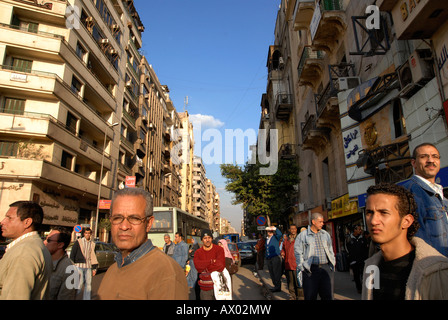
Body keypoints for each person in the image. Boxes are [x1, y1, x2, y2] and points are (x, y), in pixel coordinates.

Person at [95, 188, 188, 300]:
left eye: (134, 218)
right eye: (117, 218)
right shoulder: (112, 270)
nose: (124, 226)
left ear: (149, 223)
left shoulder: (166, 273)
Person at [362, 183, 448, 300]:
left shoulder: (436, 271)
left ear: (406, 221)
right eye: (369, 212)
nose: (373, 221)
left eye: (384, 213)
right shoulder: (371, 267)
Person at [401, 143, 448, 257]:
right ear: (414, 163)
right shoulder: (409, 191)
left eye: (435, 156)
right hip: (431, 266)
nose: (430, 160)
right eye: (424, 157)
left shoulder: (441, 196)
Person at [0, 201, 52, 299]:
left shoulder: (23, 252)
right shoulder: (33, 246)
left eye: (9, 218)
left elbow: (16, 296)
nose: (3, 221)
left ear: (27, 222)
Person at [294, 213, 336, 300]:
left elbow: (330, 249)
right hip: (310, 270)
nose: (322, 223)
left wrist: (333, 262)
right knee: (310, 296)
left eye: (322, 222)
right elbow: (298, 253)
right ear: (313, 222)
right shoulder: (303, 236)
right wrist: (302, 268)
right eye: (320, 222)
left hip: (325, 269)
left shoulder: (325, 234)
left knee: (328, 296)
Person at [44, 226, 76, 300]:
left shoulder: (70, 270)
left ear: (60, 245)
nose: (44, 242)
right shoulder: (43, 261)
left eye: (49, 240)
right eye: (45, 239)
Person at [193, 229, 226, 300]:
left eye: (209, 238)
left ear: (212, 238)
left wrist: (204, 268)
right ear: (202, 240)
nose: (207, 240)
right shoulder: (198, 252)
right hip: (204, 289)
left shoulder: (219, 250)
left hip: (218, 287)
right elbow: (198, 267)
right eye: (205, 238)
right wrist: (211, 261)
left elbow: (220, 265)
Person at [70, 227, 98, 300]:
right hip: (79, 266)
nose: (87, 235)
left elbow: (93, 256)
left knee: (88, 285)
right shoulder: (78, 242)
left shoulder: (92, 244)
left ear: (91, 234)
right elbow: (73, 253)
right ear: (84, 234)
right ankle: (72, 297)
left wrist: (94, 268)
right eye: (86, 233)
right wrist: (73, 265)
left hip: (88, 266)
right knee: (79, 285)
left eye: (89, 233)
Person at [346, 225, 368, 294]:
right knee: (356, 276)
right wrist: (351, 259)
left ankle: (365, 288)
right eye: (359, 229)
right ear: (354, 230)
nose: (360, 230)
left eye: (360, 229)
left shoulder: (363, 239)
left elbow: (366, 249)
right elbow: (347, 249)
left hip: (362, 260)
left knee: (364, 275)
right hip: (354, 261)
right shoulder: (349, 239)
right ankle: (359, 288)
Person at [281, 224, 301, 300]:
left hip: (297, 264)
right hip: (288, 263)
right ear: (289, 230)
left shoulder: (299, 239)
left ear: (296, 230)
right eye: (291, 229)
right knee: (290, 282)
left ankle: (300, 296)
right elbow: (283, 249)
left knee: (298, 282)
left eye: (294, 229)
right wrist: (282, 252)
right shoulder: (286, 240)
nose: (293, 230)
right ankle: (292, 296)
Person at [265, 226, 283, 293]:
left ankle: (278, 287)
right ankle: (275, 285)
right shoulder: (267, 239)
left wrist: (275, 228)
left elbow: (280, 234)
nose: (269, 232)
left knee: (276, 272)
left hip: (275, 257)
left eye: (270, 231)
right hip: (269, 258)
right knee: (272, 272)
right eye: (268, 231)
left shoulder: (275, 237)